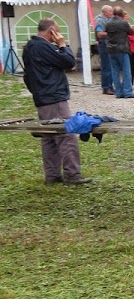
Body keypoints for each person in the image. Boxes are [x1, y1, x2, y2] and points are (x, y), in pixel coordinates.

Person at [22, 18, 90, 185]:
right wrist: (62, 45)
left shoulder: (29, 47)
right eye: (57, 31)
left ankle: (52, 175)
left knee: (49, 135)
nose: (59, 34)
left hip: (42, 97)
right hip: (53, 96)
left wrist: (36, 91)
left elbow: (27, 76)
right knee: (66, 134)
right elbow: (69, 62)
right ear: (51, 31)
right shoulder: (44, 46)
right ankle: (72, 174)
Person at [105, 6, 134, 99]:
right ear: (121, 14)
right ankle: (128, 92)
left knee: (115, 72)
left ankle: (119, 92)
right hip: (122, 49)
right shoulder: (123, 23)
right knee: (126, 71)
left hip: (111, 49)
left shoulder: (108, 23)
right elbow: (131, 32)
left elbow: (107, 33)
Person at [93, 3, 115, 96]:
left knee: (111, 66)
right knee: (106, 66)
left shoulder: (110, 19)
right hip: (103, 45)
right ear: (105, 12)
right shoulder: (100, 20)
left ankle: (110, 86)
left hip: (109, 44)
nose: (112, 13)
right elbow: (100, 34)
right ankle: (106, 87)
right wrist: (113, 33)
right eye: (110, 11)